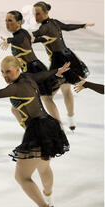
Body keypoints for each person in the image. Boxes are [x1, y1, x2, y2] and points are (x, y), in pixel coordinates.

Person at [0, 56, 70, 207]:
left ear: (17, 69)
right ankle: (48, 198)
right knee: (43, 166)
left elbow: (0, 93)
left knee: (22, 177)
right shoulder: (28, 78)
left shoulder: (17, 87)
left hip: (38, 130)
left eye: (8, 71)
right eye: (2, 72)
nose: (5, 75)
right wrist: (56, 71)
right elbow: (42, 76)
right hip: (48, 125)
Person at [32, 1, 95, 130]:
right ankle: (71, 120)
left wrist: (22, 36)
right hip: (68, 56)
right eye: (34, 14)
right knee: (66, 89)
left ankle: (58, 127)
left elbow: (36, 35)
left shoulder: (45, 26)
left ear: (45, 13)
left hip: (60, 61)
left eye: (38, 14)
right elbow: (66, 26)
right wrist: (82, 25)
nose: (35, 17)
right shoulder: (54, 22)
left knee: (47, 96)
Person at [0, 10, 62, 124]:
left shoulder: (20, 35)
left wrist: (9, 40)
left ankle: (58, 127)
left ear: (18, 22)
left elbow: (20, 39)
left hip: (34, 69)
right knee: (15, 108)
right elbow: (29, 41)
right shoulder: (24, 33)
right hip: (27, 72)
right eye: (6, 21)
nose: (7, 23)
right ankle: (32, 131)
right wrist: (42, 38)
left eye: (10, 20)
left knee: (46, 99)